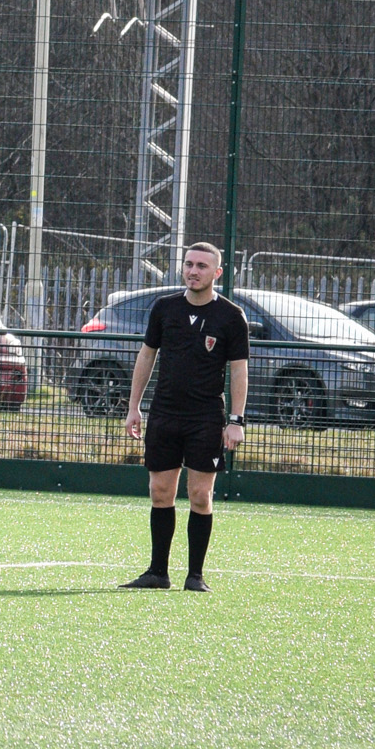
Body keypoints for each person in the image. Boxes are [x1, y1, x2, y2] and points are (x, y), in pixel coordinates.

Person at [122, 241, 249, 594]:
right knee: (160, 491)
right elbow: (146, 357)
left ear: (217, 273)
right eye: (189, 264)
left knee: (199, 495)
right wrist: (134, 406)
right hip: (164, 413)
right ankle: (157, 572)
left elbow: (239, 371)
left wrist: (236, 421)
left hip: (205, 418)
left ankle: (195, 576)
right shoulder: (165, 309)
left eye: (202, 266)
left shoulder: (231, 316)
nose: (193, 271)